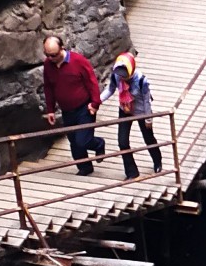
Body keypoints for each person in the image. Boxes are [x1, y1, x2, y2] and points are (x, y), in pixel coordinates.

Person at [42, 34, 106, 175]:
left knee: (83, 140)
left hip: (84, 107)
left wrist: (95, 103)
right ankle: (84, 167)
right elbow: (48, 87)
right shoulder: (48, 65)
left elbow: (92, 82)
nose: (50, 58)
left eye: (53, 55)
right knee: (74, 141)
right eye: (47, 55)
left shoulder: (78, 61)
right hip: (66, 110)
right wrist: (50, 110)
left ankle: (99, 144)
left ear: (62, 48)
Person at [109, 49, 163, 180]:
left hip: (141, 111)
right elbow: (110, 90)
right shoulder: (116, 76)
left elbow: (146, 101)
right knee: (122, 142)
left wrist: (148, 119)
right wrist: (97, 101)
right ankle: (132, 172)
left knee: (148, 138)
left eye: (125, 75)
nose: (122, 78)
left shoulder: (141, 80)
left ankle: (157, 161)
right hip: (125, 109)